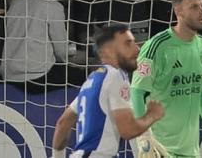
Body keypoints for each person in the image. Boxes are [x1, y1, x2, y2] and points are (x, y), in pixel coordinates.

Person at [129, 0, 202, 158]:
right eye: (194, 7)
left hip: (190, 151)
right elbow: (136, 92)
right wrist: (144, 136)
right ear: (178, 11)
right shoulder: (156, 46)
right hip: (159, 148)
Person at [49, 24, 164, 158]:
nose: (137, 49)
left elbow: (63, 123)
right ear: (109, 51)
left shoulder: (92, 81)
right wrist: (152, 115)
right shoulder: (115, 76)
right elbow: (127, 131)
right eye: (128, 44)